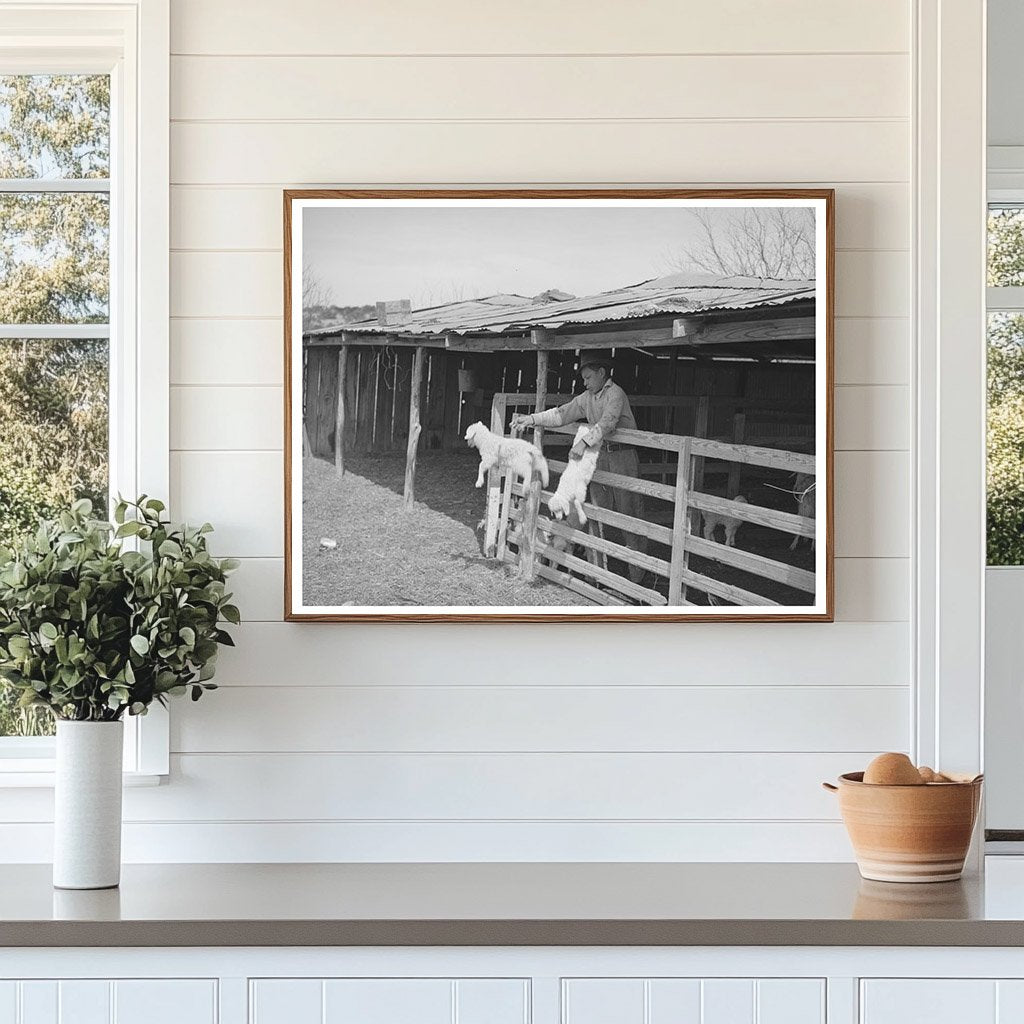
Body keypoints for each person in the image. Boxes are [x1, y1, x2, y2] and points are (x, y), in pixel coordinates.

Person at [512, 351, 648, 585]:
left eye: (588, 378)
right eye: (583, 379)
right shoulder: (587, 397)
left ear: (602, 373)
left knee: (629, 511)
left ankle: (637, 576)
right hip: (599, 457)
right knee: (593, 510)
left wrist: (583, 442)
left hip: (622, 457)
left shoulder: (615, 394)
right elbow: (562, 414)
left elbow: (608, 422)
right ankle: (595, 572)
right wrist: (532, 419)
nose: (584, 383)